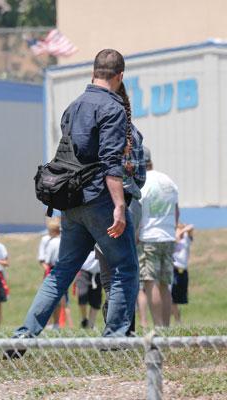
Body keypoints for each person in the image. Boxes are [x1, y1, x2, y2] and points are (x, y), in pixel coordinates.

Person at [8, 49, 139, 357]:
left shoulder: (74, 105)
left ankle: (23, 336)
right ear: (120, 76)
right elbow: (110, 163)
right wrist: (119, 206)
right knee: (125, 267)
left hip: (71, 202)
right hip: (99, 200)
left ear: (94, 72)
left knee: (63, 270)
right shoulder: (113, 108)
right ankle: (114, 341)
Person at [96, 82, 147, 335]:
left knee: (109, 273)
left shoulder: (98, 132)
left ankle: (115, 327)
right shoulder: (134, 134)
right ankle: (126, 328)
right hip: (129, 204)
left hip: (101, 206)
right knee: (127, 269)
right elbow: (140, 177)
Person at [138, 148, 179, 328]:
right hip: (168, 236)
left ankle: (158, 326)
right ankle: (167, 327)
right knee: (165, 283)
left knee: (150, 281)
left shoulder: (142, 183)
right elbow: (176, 212)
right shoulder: (169, 181)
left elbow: (137, 214)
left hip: (149, 237)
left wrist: (136, 235)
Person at [171, 223, 194, 324]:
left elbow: (191, 226)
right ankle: (177, 321)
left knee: (178, 299)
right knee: (172, 299)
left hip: (183, 271)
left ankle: (177, 320)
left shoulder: (186, 239)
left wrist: (182, 231)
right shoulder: (172, 239)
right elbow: (175, 239)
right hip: (173, 270)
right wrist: (177, 235)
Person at [77, 251, 101, 329]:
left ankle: (91, 324)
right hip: (84, 271)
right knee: (82, 296)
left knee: (96, 300)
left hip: (98, 273)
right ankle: (84, 319)